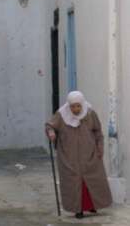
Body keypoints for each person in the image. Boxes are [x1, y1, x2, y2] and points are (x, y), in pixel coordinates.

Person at [45, 91, 112, 219]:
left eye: (78, 106)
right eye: (73, 106)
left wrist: (100, 148)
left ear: (82, 104)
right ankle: (78, 209)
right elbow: (50, 125)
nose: (76, 109)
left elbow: (98, 132)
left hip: (89, 155)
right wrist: (51, 132)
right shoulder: (61, 115)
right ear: (69, 106)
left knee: (93, 180)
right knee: (74, 183)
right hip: (69, 156)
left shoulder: (90, 113)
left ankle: (93, 205)